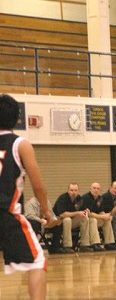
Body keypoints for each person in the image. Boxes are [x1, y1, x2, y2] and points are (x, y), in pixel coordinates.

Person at [0, 94, 53, 300]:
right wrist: (45, 210)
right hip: (6, 214)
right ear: (16, 119)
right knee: (38, 261)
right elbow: (38, 185)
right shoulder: (20, 144)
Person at [53, 183, 101, 253]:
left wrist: (86, 211)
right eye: (71, 190)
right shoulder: (63, 198)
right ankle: (67, 246)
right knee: (67, 219)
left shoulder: (79, 198)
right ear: (68, 190)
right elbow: (62, 214)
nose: (73, 192)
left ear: (78, 191)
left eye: (75, 190)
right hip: (59, 222)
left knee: (85, 218)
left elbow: (82, 210)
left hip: (72, 221)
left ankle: (84, 245)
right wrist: (78, 213)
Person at [77, 182, 116, 251]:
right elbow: (89, 213)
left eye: (98, 189)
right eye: (94, 188)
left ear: (100, 190)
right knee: (93, 220)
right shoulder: (85, 198)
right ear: (90, 189)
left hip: (96, 218)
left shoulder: (100, 198)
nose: (96, 190)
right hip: (85, 220)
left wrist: (106, 216)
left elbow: (101, 211)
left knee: (107, 220)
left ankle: (109, 243)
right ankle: (95, 243)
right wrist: (102, 217)